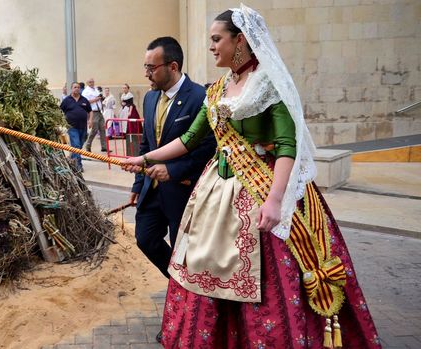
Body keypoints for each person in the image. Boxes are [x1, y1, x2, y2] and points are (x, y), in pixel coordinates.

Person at [122, 6, 381, 348]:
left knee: (273, 278)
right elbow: (188, 141)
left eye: (217, 39)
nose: (211, 47)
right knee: (205, 266)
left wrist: (275, 201)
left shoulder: (269, 84)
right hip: (218, 196)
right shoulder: (216, 90)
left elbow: (287, 144)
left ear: (240, 40)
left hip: (263, 190)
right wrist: (143, 159)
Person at [129, 36, 216, 284]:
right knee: (146, 239)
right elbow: (146, 144)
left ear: (173, 66)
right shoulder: (149, 98)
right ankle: (178, 284)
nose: (146, 74)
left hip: (183, 192)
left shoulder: (200, 97)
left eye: (151, 68)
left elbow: (209, 147)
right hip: (151, 191)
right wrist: (137, 184)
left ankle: (187, 299)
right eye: (145, 67)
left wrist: (175, 170)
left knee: (185, 251)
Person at [59, 82, 91, 172]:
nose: (77, 88)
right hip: (72, 127)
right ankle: (78, 166)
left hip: (83, 127)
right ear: (71, 88)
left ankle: (72, 160)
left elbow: (90, 110)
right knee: (76, 145)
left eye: (78, 87)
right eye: (75, 87)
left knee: (79, 146)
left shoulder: (84, 100)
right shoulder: (67, 100)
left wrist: (90, 120)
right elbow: (60, 111)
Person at [82, 78, 107, 153]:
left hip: (99, 111)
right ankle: (88, 145)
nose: (91, 83)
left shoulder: (95, 89)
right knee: (94, 130)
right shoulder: (85, 91)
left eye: (92, 82)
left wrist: (101, 98)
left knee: (102, 129)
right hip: (93, 112)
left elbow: (98, 97)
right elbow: (85, 102)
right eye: (90, 82)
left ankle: (104, 147)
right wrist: (95, 99)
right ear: (87, 83)